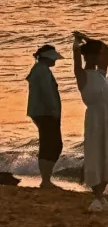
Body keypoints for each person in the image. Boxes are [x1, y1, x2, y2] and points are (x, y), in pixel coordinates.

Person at [72, 33, 108, 212]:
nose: (95, 58)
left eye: (96, 54)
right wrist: (77, 45)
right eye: (91, 55)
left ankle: (101, 195)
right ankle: (97, 196)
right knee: (95, 153)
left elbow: (106, 49)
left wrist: (87, 38)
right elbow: (77, 62)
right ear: (87, 56)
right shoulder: (83, 75)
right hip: (95, 117)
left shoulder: (100, 74)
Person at [26, 43, 62, 187]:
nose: (55, 61)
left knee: (48, 144)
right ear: (48, 58)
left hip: (40, 112)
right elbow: (47, 93)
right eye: (54, 58)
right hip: (46, 112)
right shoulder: (42, 70)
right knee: (53, 144)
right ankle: (46, 179)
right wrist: (54, 110)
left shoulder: (38, 69)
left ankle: (46, 178)